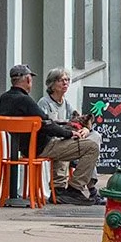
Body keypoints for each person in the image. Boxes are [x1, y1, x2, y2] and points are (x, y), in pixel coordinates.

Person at [0, 64, 79, 207]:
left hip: (16, 150)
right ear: (28, 80)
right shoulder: (26, 100)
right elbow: (47, 123)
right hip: (36, 148)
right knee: (85, 146)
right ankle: (70, 189)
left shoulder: (4, 98)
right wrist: (69, 133)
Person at [41, 68, 102, 200]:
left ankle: (86, 180)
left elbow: (78, 119)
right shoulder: (45, 103)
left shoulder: (66, 104)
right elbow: (45, 127)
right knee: (89, 148)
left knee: (95, 137)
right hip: (53, 142)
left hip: (70, 138)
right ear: (51, 84)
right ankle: (87, 188)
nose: (65, 83)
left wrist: (86, 129)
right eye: (61, 80)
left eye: (67, 80)